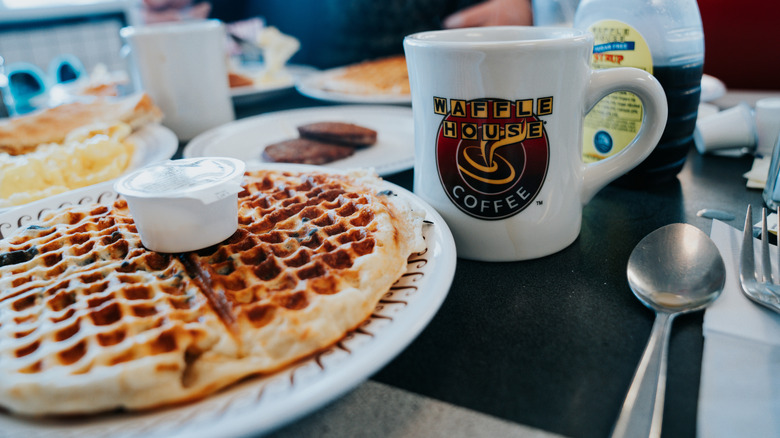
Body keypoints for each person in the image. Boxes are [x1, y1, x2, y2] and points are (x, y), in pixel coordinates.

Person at [140, 0, 533, 68]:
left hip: (437, 107)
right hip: (286, 109)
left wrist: (520, 11)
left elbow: (507, 12)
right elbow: (198, 11)